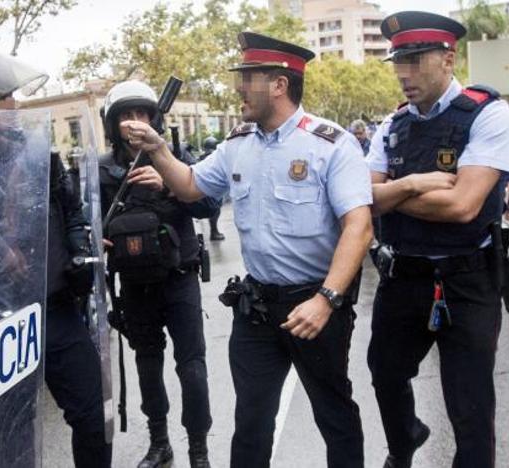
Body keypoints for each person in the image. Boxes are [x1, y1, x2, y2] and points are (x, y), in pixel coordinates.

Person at [121, 32, 372, 468]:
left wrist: (327, 300)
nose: (239, 87)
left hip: (315, 306)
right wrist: (159, 150)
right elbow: (191, 185)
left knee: (334, 414)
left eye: (248, 77)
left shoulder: (330, 145)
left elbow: (359, 225)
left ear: (278, 84)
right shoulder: (238, 144)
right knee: (252, 421)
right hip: (256, 308)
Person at [0, 50, 112, 468]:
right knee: (13, 437)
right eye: (3, 97)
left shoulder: (35, 154)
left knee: (91, 417)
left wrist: (80, 248)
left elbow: (69, 210)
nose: (15, 105)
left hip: (56, 309)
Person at [365, 12, 509, 468]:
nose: (403, 74)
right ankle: (406, 439)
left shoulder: (487, 114)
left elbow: (463, 206)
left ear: (448, 58)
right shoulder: (391, 127)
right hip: (405, 276)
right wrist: (414, 185)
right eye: (398, 61)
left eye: (415, 60)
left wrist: (389, 193)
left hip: (468, 278)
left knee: (469, 406)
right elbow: (359, 200)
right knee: (385, 374)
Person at [98, 79, 219, 468]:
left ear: (155, 119)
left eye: (142, 115)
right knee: (147, 367)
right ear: (112, 123)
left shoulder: (176, 157)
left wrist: (169, 183)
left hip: (179, 278)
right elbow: (84, 222)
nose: (135, 123)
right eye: (126, 117)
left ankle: (198, 449)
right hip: (135, 287)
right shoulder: (102, 170)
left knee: (192, 369)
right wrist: (92, 238)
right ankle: (160, 443)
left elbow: (207, 205)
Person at [200, 136, 225, 241]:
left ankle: (214, 231)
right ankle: (214, 232)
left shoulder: (202, 157)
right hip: (214, 188)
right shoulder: (213, 156)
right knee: (215, 210)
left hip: (205, 187)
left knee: (215, 210)